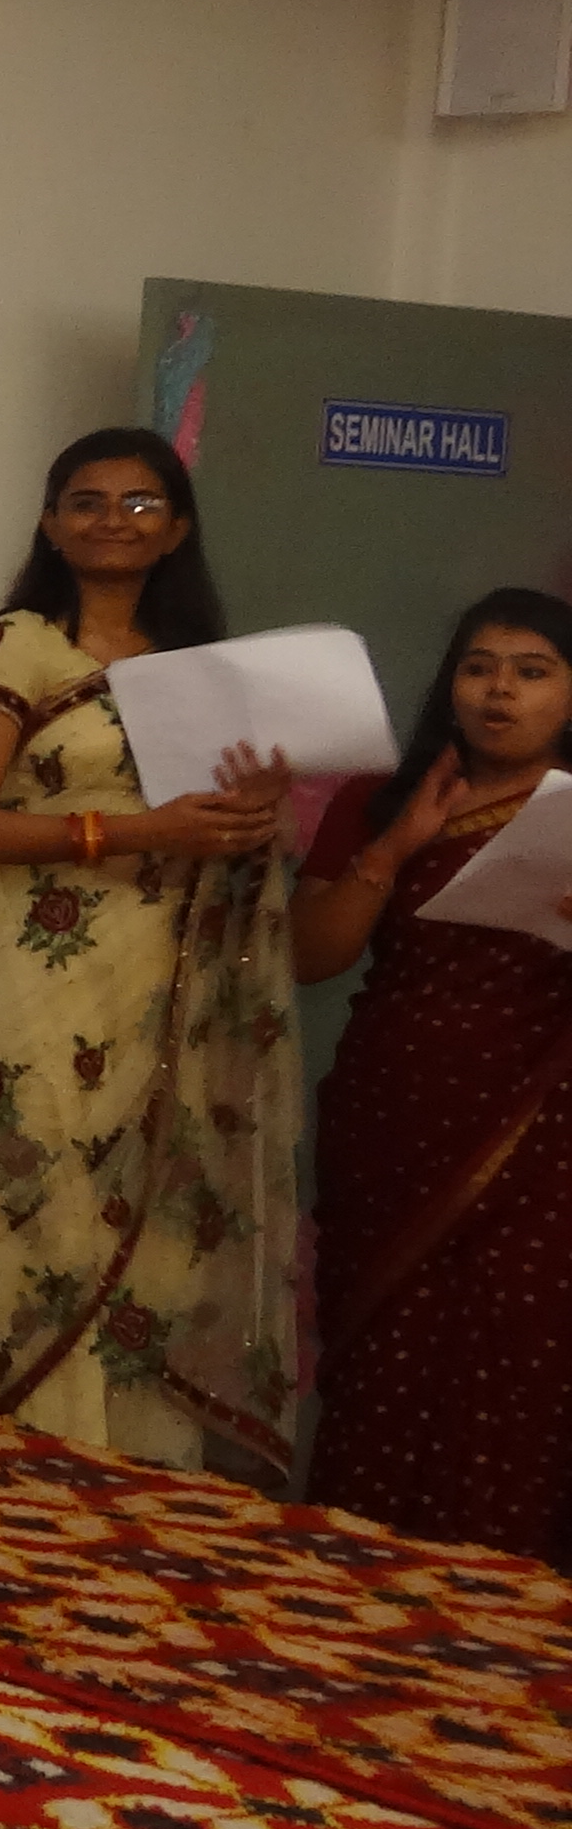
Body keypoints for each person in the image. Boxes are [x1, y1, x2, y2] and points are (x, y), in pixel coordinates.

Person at [0, 430, 300, 1475]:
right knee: (29, 1213)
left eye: (140, 504)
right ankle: (15, 1466)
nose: (112, 521)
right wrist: (139, 830)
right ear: (51, 525)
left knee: (156, 1230)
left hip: (166, 988)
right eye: (85, 501)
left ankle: (132, 1475)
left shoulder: (196, 668)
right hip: (41, 989)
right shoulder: (15, 646)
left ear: (177, 529)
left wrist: (247, 818)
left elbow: (213, 832)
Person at [292, 588, 572, 1553]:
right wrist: (395, 848)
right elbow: (309, 956)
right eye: (479, 667)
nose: (500, 692)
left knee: (520, 1352)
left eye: (532, 672)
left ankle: (499, 1595)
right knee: (385, 1351)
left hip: (545, 1137)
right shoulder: (380, 800)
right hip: (395, 1108)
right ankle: (354, 1580)